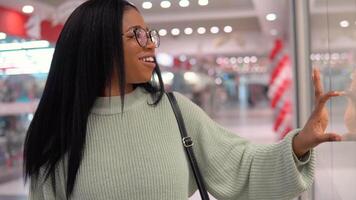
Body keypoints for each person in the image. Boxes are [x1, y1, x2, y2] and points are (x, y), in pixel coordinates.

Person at [23, 0, 345, 199]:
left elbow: (242, 167)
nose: (151, 44)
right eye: (137, 35)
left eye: (150, 34)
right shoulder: (59, 134)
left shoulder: (173, 112)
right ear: (97, 44)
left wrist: (299, 144)